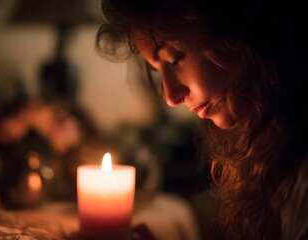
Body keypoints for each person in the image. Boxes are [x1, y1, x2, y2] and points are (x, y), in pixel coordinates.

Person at [95, 0, 308, 239]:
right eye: (157, 71)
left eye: (174, 58)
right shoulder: (273, 149)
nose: (171, 97)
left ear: (237, 31)